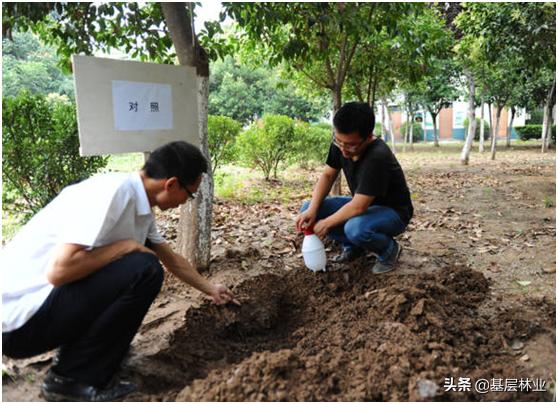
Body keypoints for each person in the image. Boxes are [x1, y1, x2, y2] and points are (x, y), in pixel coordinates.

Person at [2, 141, 239, 401]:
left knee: (141, 265)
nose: (186, 201)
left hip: (40, 310)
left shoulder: (138, 202)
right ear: (171, 184)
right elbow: (59, 271)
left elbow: (171, 259)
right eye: (189, 194)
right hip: (19, 323)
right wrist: (124, 247)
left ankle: (80, 360)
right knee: (144, 270)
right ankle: (70, 381)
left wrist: (211, 290)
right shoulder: (112, 193)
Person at [296, 102, 413, 274]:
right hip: (365, 206)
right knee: (309, 208)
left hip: (393, 212)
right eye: (339, 141)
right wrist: (313, 210)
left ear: (368, 137)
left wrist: (327, 223)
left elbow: (359, 206)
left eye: (351, 145)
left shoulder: (377, 157)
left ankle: (389, 250)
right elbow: (328, 175)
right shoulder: (341, 144)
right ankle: (353, 246)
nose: (343, 150)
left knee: (355, 228)